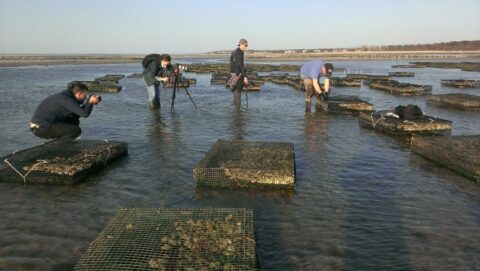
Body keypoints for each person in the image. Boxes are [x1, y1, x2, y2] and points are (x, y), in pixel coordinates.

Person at [30, 83, 101, 140]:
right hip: (40, 128)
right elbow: (84, 114)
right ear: (79, 94)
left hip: (43, 125)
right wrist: (90, 102)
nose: (85, 98)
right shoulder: (66, 99)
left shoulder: (67, 95)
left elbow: (78, 112)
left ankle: (62, 141)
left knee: (74, 120)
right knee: (76, 130)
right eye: (85, 96)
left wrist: (89, 101)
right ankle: (61, 146)